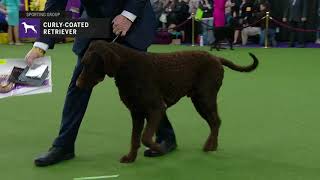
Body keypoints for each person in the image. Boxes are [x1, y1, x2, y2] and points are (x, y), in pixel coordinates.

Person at [25, 0, 177, 167]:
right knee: (79, 84)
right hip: (95, 22)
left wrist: (127, 16)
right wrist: (39, 46)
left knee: (142, 87)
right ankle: (63, 146)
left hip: (132, 20)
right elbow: (54, 5)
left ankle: (166, 137)